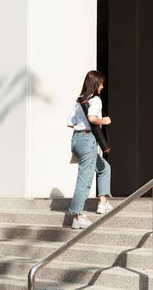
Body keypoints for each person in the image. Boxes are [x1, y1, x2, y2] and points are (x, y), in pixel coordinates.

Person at [66, 70, 113, 229]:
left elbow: (70, 123)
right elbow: (93, 118)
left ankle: (103, 203)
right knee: (85, 178)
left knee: (104, 168)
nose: (102, 86)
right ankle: (78, 216)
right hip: (87, 140)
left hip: (77, 139)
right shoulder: (96, 100)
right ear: (96, 84)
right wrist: (105, 121)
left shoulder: (79, 101)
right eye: (101, 83)